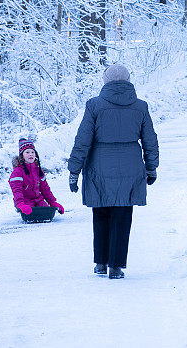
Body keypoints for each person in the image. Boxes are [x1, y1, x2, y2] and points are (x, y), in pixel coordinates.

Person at [68, 64, 159, 279]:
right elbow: (150, 140)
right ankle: (116, 267)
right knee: (122, 215)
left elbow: (82, 140)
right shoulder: (141, 107)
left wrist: (74, 170)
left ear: (105, 81)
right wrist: (152, 167)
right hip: (131, 167)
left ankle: (101, 262)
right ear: (128, 80)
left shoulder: (94, 106)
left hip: (99, 166)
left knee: (100, 213)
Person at [9, 138, 64, 216]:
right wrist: (20, 204)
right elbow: (17, 190)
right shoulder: (18, 172)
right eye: (27, 152)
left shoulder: (38, 170)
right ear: (22, 155)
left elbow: (45, 189)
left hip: (38, 200)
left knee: (47, 213)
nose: (31, 154)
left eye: (32, 152)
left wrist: (53, 202)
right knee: (31, 214)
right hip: (25, 202)